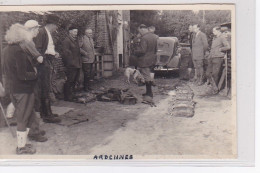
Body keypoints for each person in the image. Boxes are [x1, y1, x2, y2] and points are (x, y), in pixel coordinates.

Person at [3, 23, 39, 154]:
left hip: (13, 88)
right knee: (23, 118)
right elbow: (23, 75)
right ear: (21, 35)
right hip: (23, 89)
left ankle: (23, 143)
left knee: (27, 117)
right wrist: (35, 74)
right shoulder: (19, 51)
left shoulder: (6, 50)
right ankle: (21, 147)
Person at [34, 15, 61, 123]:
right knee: (45, 88)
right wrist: (44, 61)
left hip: (46, 61)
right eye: (56, 26)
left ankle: (46, 112)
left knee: (46, 87)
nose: (56, 28)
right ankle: (47, 115)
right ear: (51, 24)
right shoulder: (42, 32)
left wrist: (54, 53)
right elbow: (38, 50)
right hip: (42, 64)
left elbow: (48, 49)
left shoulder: (47, 33)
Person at [134, 24, 157, 100]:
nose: (139, 33)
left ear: (142, 29)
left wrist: (135, 52)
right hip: (152, 59)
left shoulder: (144, 38)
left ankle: (149, 94)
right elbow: (155, 50)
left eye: (139, 31)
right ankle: (148, 92)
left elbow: (143, 50)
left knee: (147, 77)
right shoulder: (154, 36)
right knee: (148, 76)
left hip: (145, 60)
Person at [206, 26, 230, 94]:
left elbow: (228, 46)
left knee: (215, 74)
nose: (213, 32)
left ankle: (215, 90)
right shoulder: (214, 38)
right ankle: (215, 87)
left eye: (214, 31)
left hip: (218, 57)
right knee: (207, 73)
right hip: (211, 57)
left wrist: (220, 49)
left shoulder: (222, 37)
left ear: (218, 31)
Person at [62, 26, 82, 101]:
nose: (76, 33)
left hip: (77, 64)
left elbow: (78, 52)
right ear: (70, 32)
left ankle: (72, 94)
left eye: (76, 32)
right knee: (69, 80)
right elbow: (65, 54)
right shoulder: (66, 41)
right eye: (74, 32)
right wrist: (71, 63)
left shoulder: (75, 40)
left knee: (74, 80)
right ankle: (67, 96)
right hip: (71, 65)